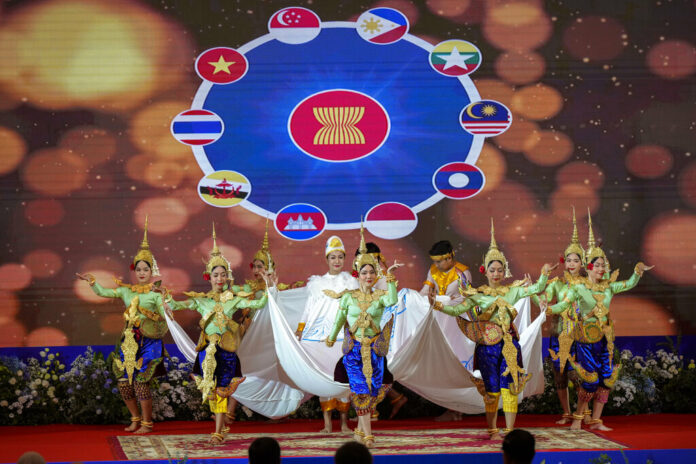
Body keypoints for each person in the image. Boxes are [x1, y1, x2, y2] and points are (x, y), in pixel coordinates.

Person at [431, 219, 556, 439]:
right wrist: (438, 304)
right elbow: (457, 309)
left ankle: (509, 429)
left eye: (499, 269)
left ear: (504, 270)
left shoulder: (514, 290)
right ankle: (492, 429)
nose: (496, 273)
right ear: (485, 271)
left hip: (509, 344)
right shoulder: (478, 294)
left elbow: (536, 288)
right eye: (492, 270)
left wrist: (544, 273)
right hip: (487, 347)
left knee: (511, 388)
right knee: (492, 390)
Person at [546, 210, 653, 432]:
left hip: (605, 337)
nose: (603, 268)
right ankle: (577, 418)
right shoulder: (579, 287)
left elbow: (628, 284)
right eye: (599, 265)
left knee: (606, 379)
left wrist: (637, 271)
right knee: (590, 380)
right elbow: (564, 305)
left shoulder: (609, 287)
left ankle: (595, 420)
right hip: (585, 338)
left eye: (605, 264)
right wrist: (549, 308)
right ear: (590, 266)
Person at [163, 224, 268, 444]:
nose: (219, 279)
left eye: (223, 275)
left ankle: (218, 430)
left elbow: (259, 302)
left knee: (222, 389)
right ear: (208, 277)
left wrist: (270, 285)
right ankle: (219, 424)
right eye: (215, 275)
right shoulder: (202, 300)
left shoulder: (234, 298)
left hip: (227, 351)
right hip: (206, 351)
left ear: (228, 277)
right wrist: (164, 298)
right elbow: (178, 305)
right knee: (210, 390)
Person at [75, 217, 168, 434]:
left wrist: (161, 307)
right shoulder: (127, 290)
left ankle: (147, 422)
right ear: (134, 271)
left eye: (146, 269)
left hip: (149, 342)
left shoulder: (156, 292)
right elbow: (104, 292)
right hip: (129, 340)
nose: (142, 273)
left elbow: (165, 316)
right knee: (124, 381)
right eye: (139, 269)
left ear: (152, 271)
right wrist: (92, 282)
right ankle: (135, 419)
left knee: (141, 382)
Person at [325, 226, 402, 448]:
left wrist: (391, 280)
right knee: (360, 391)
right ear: (357, 273)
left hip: (375, 351)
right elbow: (340, 320)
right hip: (354, 351)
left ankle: (360, 428)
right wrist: (331, 338)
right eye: (365, 272)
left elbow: (392, 301)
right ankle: (368, 435)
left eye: (372, 272)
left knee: (372, 392)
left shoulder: (380, 296)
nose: (369, 276)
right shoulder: (348, 298)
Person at [295, 235, 357, 433]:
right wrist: (301, 329)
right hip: (320, 337)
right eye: (333, 257)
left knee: (344, 378)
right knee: (325, 377)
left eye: (340, 257)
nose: (337, 261)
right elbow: (308, 307)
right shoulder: (317, 283)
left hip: (343, 336)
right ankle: (328, 424)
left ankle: (345, 423)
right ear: (327, 260)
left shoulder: (352, 282)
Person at [533, 208, 588, 425]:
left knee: (582, 376)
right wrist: (536, 285)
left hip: (582, 336)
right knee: (560, 375)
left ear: (583, 263)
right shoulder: (557, 284)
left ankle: (582, 412)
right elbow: (543, 303)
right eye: (568, 260)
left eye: (576, 260)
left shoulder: (588, 285)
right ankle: (566, 412)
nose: (571, 263)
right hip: (559, 335)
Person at [419, 239, 472, 422]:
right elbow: (426, 291)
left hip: (457, 320)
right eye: (435, 261)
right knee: (442, 363)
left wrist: (442, 300)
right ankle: (451, 408)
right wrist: (416, 300)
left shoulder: (463, 272)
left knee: (457, 361)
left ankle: (460, 407)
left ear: (450, 257)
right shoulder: (433, 270)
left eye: (440, 261)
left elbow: (463, 299)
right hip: (440, 320)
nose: (437, 265)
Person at [354, 242, 408, 420]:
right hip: (362, 330)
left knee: (374, 367)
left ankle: (372, 409)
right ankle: (391, 400)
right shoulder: (360, 277)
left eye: (373, 260)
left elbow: (388, 303)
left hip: (380, 329)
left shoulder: (383, 278)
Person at [246, 219, 304, 299]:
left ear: (269, 268)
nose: (255, 270)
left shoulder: (279, 288)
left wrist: (272, 288)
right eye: (254, 266)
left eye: (259, 267)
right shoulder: (248, 287)